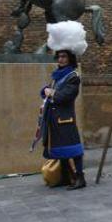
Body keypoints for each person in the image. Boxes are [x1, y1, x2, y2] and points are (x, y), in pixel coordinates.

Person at [40, 21, 88, 190]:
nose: (60, 59)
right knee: (60, 151)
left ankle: (80, 178)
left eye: (64, 56)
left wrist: (50, 93)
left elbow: (63, 96)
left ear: (70, 58)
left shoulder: (73, 77)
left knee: (74, 150)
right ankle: (67, 177)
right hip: (53, 118)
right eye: (58, 56)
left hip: (65, 119)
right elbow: (49, 90)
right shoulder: (57, 76)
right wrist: (46, 90)